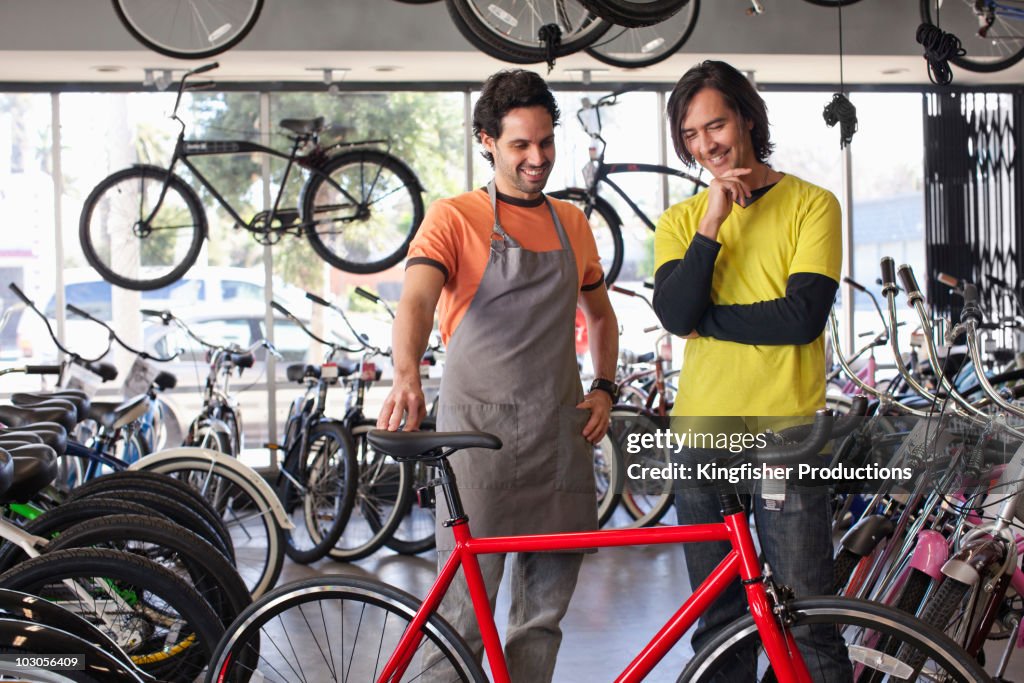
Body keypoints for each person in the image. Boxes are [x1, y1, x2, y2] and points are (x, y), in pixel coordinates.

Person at [377, 68, 619, 682]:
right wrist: (406, 373)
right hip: (477, 440)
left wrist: (604, 388)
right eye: (520, 145)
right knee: (459, 617)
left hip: (559, 437)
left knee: (541, 619)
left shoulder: (571, 222)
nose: (537, 157)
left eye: (545, 142)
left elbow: (602, 315)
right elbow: (417, 302)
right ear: (487, 140)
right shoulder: (454, 217)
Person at [653, 60, 849, 680]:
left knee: (806, 617)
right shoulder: (681, 222)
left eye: (716, 125)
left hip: (785, 436)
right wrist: (710, 223)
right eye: (690, 135)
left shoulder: (813, 205)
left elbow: (800, 319)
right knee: (718, 626)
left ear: (747, 119)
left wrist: (705, 321)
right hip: (700, 438)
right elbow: (674, 311)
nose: (706, 145)